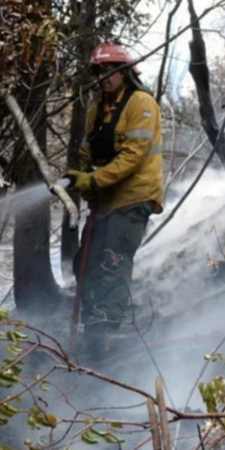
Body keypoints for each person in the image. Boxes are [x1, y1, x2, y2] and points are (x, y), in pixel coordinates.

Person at [66, 43, 164, 356]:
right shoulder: (97, 111)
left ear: (126, 72)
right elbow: (85, 151)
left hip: (134, 198)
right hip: (104, 202)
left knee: (113, 261)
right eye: (99, 71)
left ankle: (109, 336)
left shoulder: (142, 104)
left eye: (110, 70)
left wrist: (95, 180)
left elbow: (134, 157)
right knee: (85, 263)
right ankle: (92, 329)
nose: (104, 77)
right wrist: (83, 178)